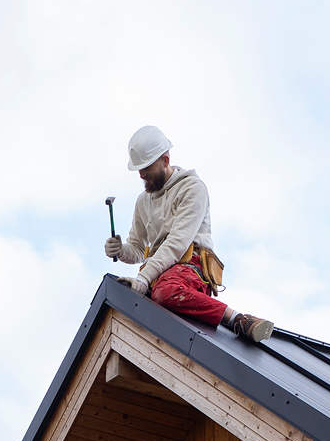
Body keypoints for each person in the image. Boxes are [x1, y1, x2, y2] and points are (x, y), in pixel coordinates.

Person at [105, 126, 275, 345]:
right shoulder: (143, 201)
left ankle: (237, 320)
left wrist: (143, 279)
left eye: (146, 167)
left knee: (166, 293)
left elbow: (177, 244)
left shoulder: (192, 189)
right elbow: (137, 249)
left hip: (189, 265)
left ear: (165, 160)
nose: (141, 174)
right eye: (138, 168)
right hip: (158, 271)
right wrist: (120, 250)